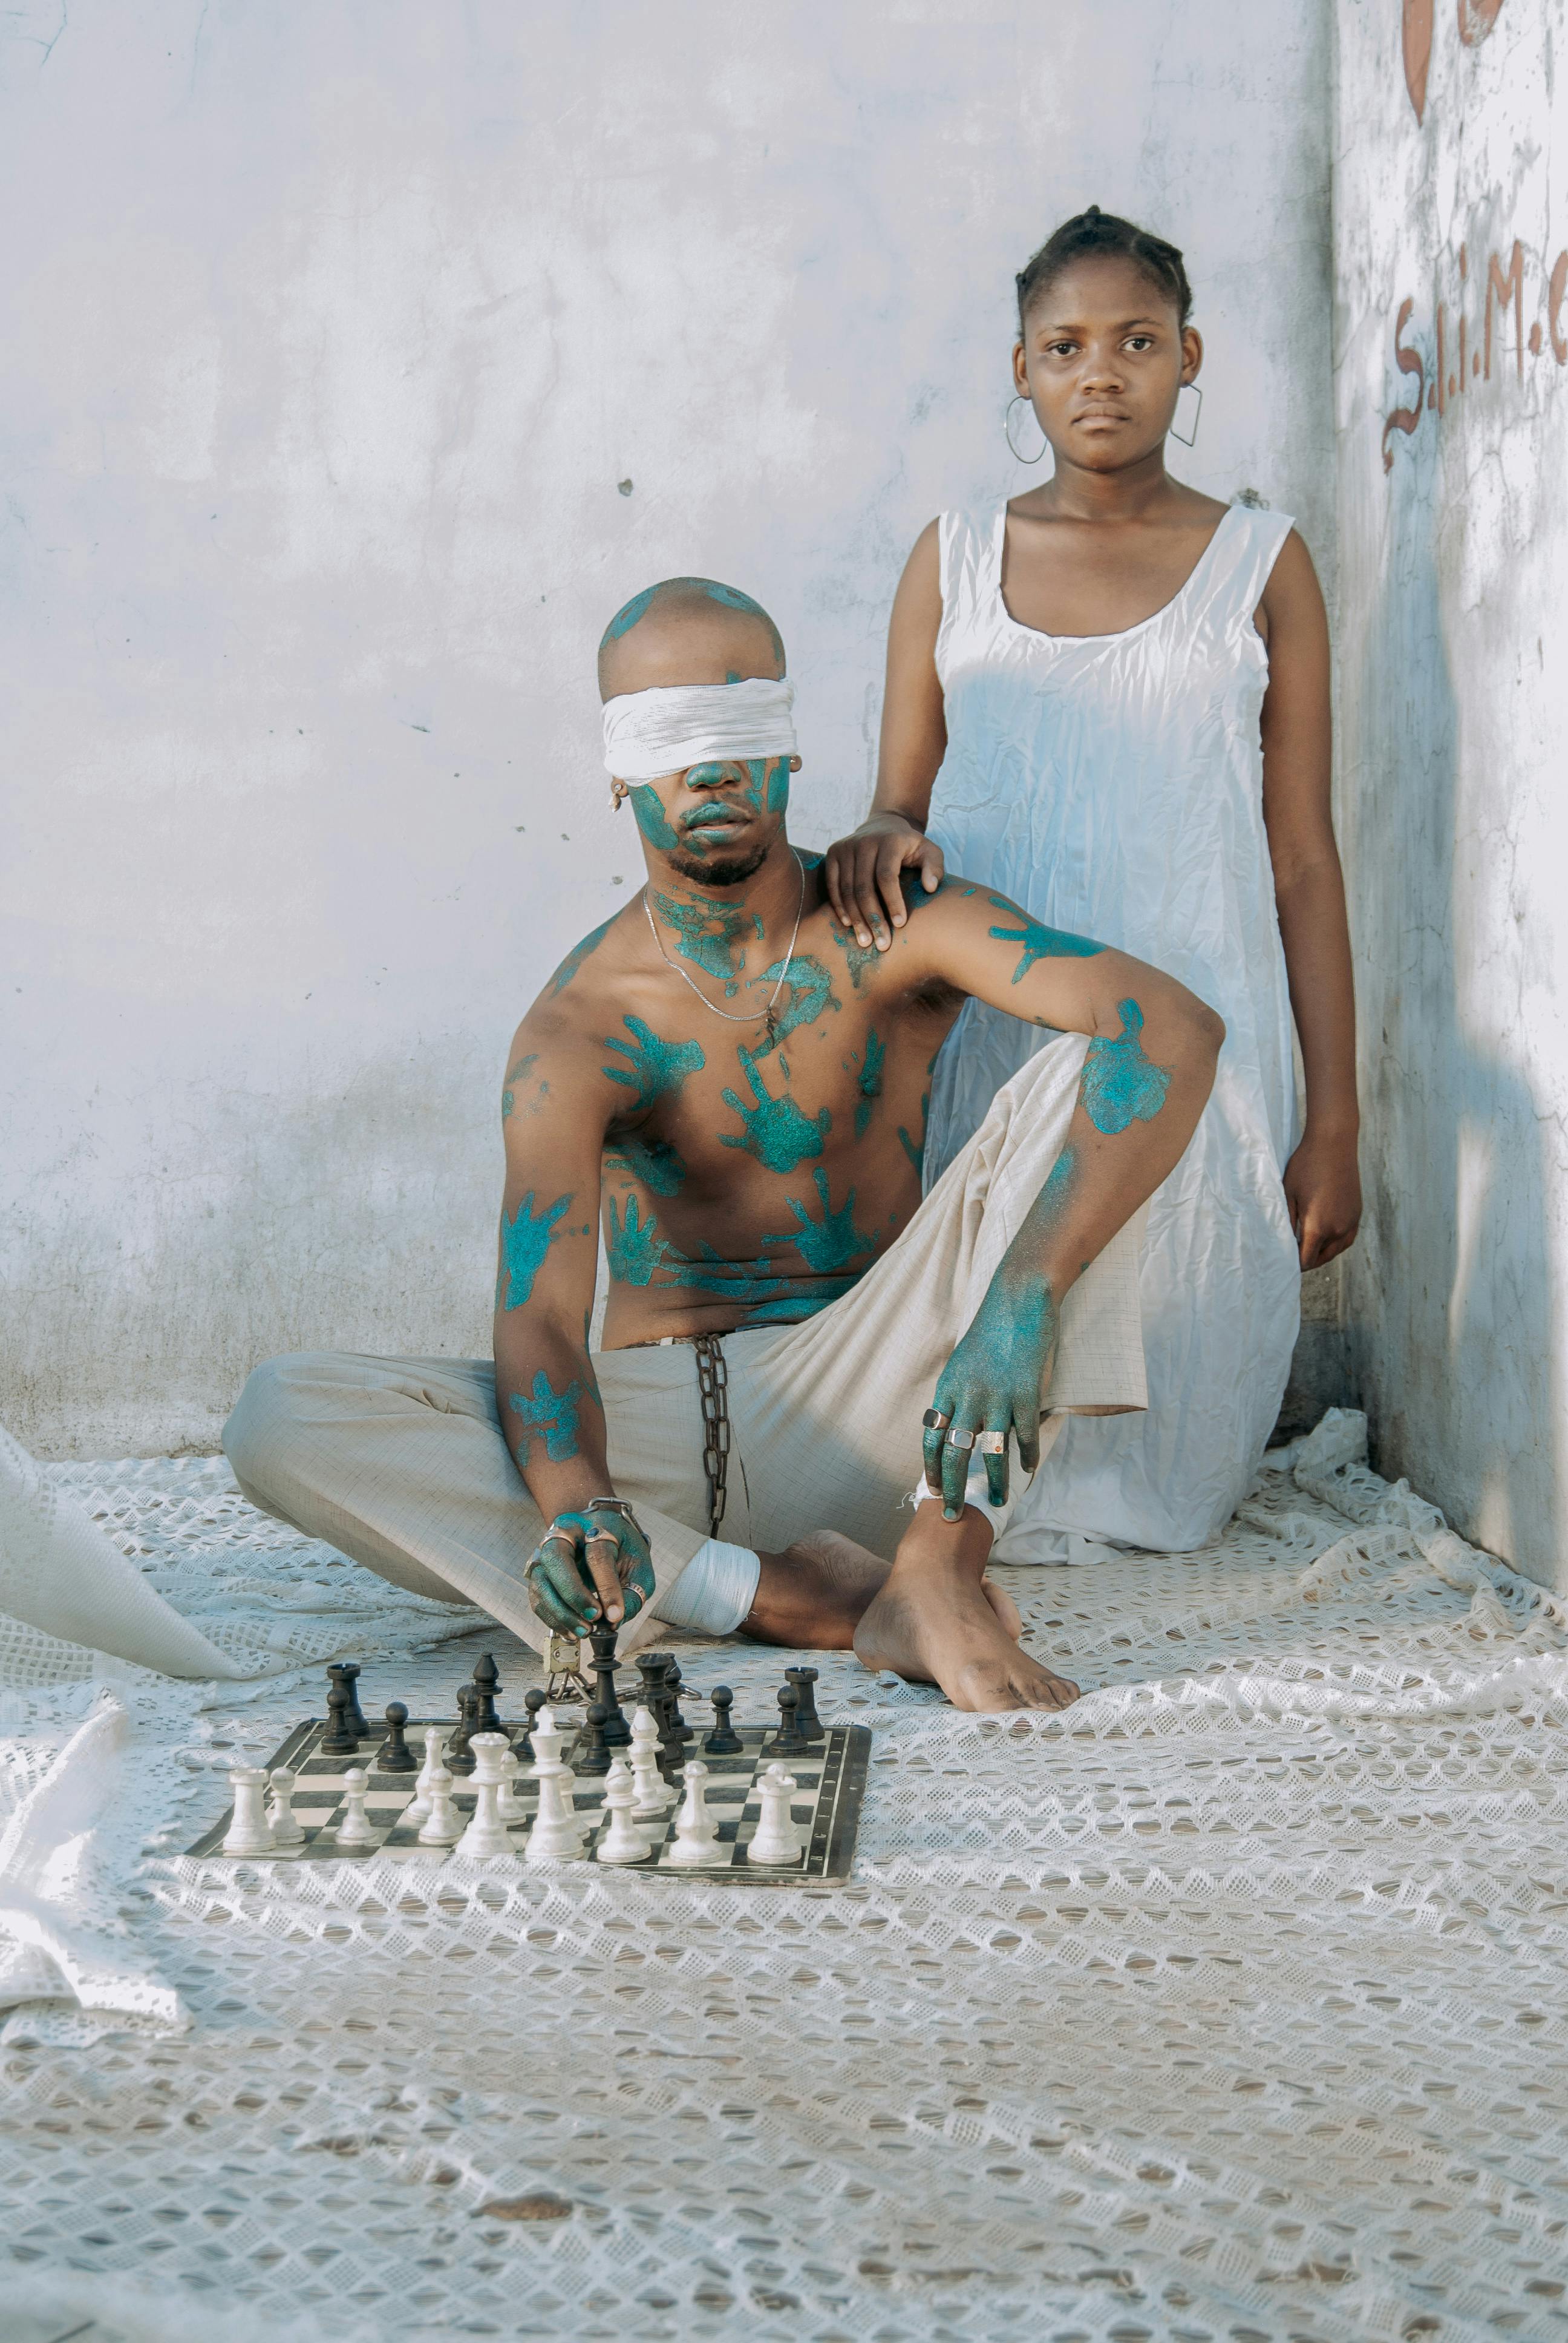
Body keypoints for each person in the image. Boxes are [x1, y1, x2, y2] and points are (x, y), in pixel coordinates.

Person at [224, 575, 1223, 1713]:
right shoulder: (579, 1028)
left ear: (789, 751)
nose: (710, 769)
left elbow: (1173, 1026)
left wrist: (1025, 1292)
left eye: (740, 727)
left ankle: (940, 1565)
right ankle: (774, 1595)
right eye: (669, 735)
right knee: (281, 1416)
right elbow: (543, 1319)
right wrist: (578, 1503)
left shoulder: (889, 928)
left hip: (878, 1403)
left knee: (1100, 1079)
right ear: (618, 771)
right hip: (653, 1435)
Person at [823, 206, 1361, 1558]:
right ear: (1021, 370)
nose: (1101, 373)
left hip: (1206, 1019)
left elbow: (1302, 853)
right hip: (1007, 1028)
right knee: (1004, 1367)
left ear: (1192, 355)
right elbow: (901, 794)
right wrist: (881, 831)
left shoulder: (1261, 561)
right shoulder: (952, 561)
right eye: (1064, 346)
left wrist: (1339, 1121)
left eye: (1134, 341)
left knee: (1169, 1473)